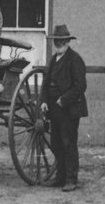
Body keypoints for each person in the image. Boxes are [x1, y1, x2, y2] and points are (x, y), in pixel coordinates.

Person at [38, 24, 88, 192]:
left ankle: (71, 180)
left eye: (62, 41)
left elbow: (80, 85)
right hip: (53, 108)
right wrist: (44, 101)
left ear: (67, 41)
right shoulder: (53, 59)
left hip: (69, 108)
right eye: (56, 41)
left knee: (69, 144)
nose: (59, 43)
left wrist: (63, 100)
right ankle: (60, 178)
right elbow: (46, 83)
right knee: (56, 144)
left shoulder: (75, 59)